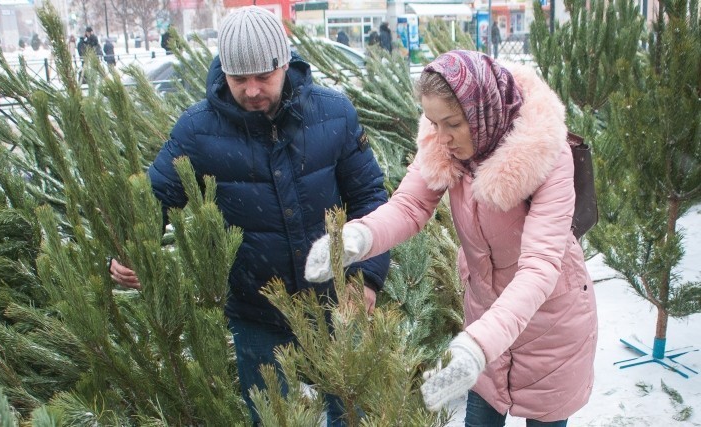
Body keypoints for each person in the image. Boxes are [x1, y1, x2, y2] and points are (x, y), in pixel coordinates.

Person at [108, 6, 390, 427]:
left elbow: (370, 197)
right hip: (256, 309)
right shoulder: (198, 130)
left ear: (284, 63)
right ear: (224, 72)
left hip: (336, 301)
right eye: (240, 79)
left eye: (264, 77)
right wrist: (128, 251)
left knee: (353, 413)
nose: (253, 89)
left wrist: (368, 277)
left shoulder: (333, 113)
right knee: (270, 418)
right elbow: (156, 196)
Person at [305, 50, 597, 426]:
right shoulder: (443, 146)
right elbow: (410, 205)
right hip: (485, 313)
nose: (442, 138)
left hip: (551, 324)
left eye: (453, 124)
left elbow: (540, 267)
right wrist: (358, 238)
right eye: (433, 123)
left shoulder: (548, 156)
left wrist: (478, 346)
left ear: (482, 110)